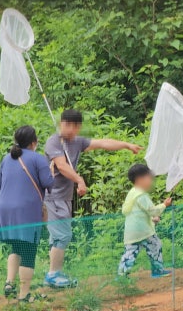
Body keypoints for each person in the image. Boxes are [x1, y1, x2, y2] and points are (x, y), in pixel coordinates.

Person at [44, 109, 142, 288]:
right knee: (63, 235)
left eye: (74, 126)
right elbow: (62, 166)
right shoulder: (53, 142)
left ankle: (54, 273)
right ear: (61, 124)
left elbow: (103, 143)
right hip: (54, 196)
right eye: (66, 125)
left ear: (78, 127)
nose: (70, 129)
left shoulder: (77, 142)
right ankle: (53, 275)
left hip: (64, 197)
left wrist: (126, 145)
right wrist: (79, 180)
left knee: (58, 236)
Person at [0, 126, 54, 302]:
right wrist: (51, 171)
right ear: (34, 142)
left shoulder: (6, 159)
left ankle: (9, 283)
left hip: (4, 207)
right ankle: (24, 295)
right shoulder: (38, 158)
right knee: (29, 250)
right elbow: (48, 183)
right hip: (25, 209)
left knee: (17, 246)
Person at [117, 164, 172, 278]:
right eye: (148, 178)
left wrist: (152, 219)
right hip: (144, 231)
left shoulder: (132, 193)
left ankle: (122, 275)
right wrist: (164, 205)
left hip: (132, 231)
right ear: (140, 179)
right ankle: (157, 270)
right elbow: (152, 210)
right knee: (155, 245)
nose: (151, 181)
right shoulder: (141, 195)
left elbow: (139, 213)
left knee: (130, 253)